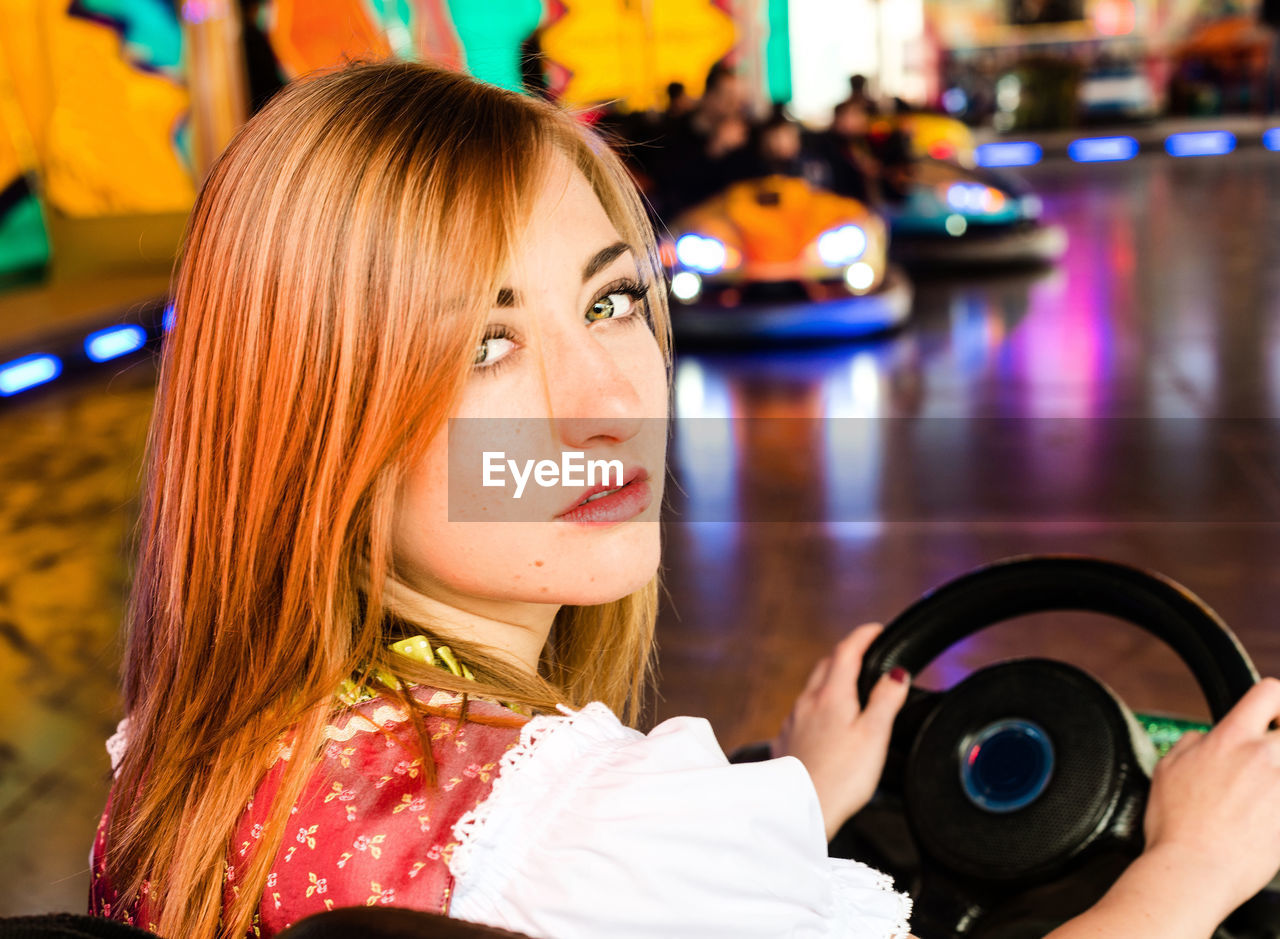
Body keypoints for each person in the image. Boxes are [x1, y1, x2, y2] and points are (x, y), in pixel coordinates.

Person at [87, 58, 1280, 939]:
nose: (604, 400)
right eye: (483, 349)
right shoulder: (605, 824)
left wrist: (796, 803)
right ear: (313, 426)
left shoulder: (192, 759)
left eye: (608, 304)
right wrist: (1191, 866)